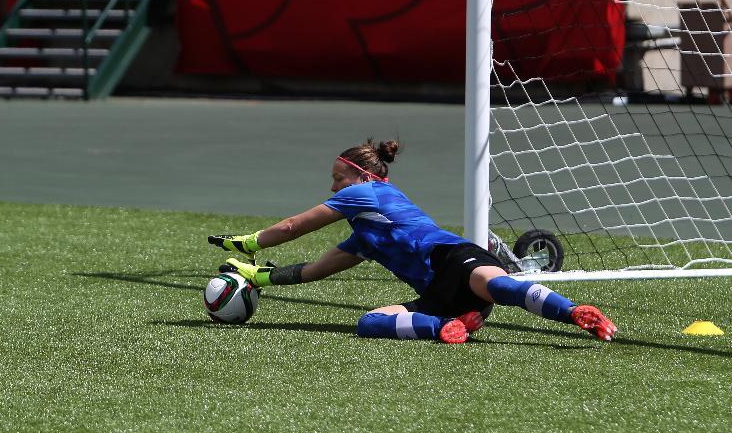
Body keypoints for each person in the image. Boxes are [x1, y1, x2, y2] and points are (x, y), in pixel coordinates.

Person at [208, 138, 617, 344]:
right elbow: (313, 271)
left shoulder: (366, 193)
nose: (333, 187)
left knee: (499, 285)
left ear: (363, 178)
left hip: (452, 259)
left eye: (338, 178)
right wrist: (258, 279)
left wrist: (246, 243)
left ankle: (573, 312)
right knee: (369, 324)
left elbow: (294, 226)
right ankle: (447, 327)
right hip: (439, 299)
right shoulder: (365, 239)